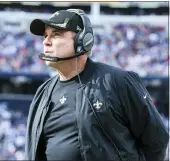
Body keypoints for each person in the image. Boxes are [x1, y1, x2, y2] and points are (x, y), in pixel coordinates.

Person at [25, 9, 169, 161]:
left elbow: (156, 141)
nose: (46, 41)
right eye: (45, 36)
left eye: (56, 34)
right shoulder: (43, 93)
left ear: (82, 40)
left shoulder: (118, 81)